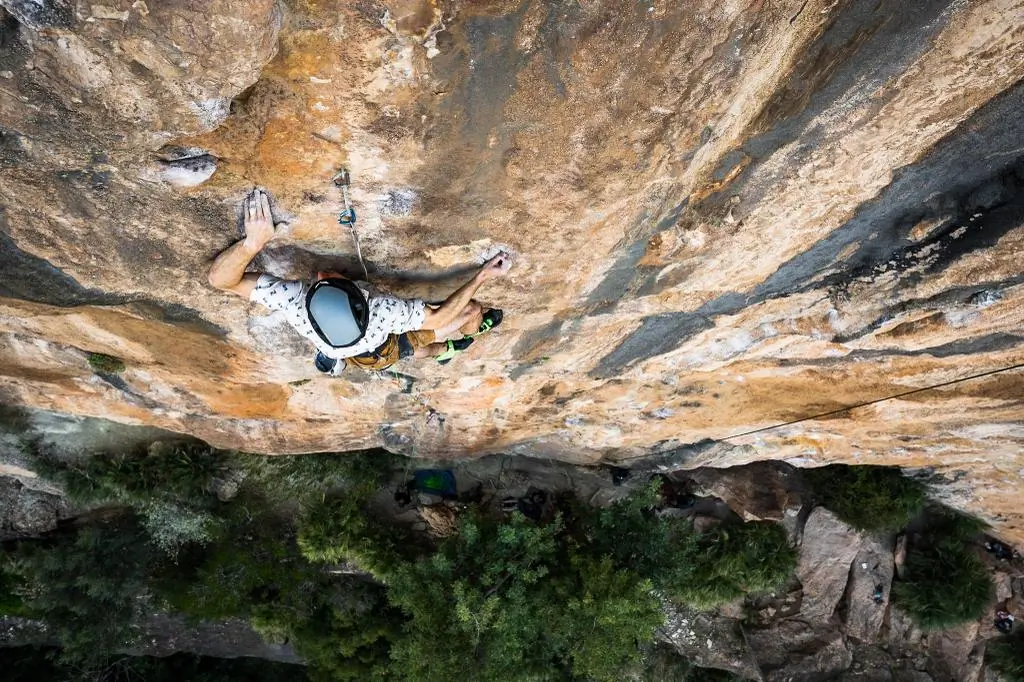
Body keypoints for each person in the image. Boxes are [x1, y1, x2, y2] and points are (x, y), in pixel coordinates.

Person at [208, 189, 512, 373]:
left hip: (358, 355)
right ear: (362, 297)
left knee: (415, 351)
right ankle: (466, 340)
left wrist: (252, 244)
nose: (321, 274)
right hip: (383, 348)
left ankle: (446, 352)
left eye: (321, 283)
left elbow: (222, 281)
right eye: (330, 281)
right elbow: (437, 319)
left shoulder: (297, 305)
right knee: (462, 317)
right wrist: (482, 275)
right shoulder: (382, 312)